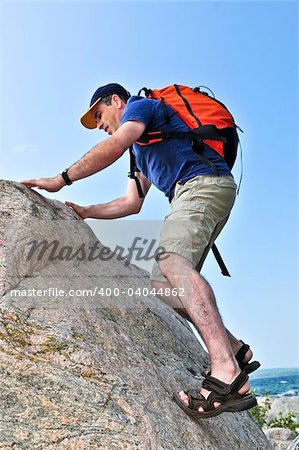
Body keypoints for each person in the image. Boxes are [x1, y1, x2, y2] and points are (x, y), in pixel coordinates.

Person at [21, 82, 259, 418]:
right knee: (162, 284)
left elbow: (116, 144)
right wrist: (87, 211)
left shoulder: (141, 108)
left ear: (116, 101)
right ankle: (234, 350)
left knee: (172, 263)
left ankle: (226, 370)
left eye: (99, 115)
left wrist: (61, 179)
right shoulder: (141, 151)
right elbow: (131, 203)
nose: (100, 126)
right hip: (197, 191)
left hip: (200, 184)